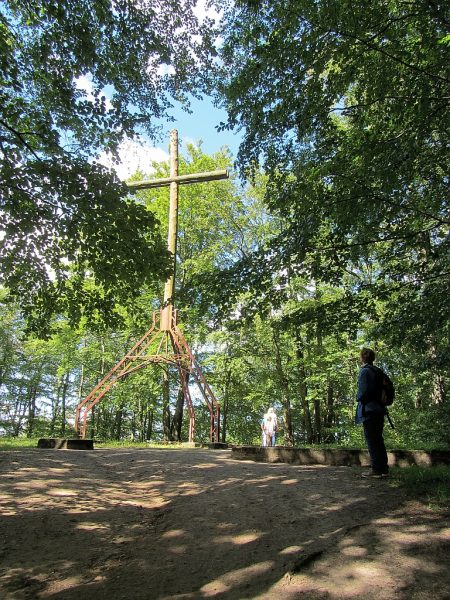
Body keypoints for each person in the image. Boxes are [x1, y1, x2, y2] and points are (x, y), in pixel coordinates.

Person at [355, 347, 389, 478]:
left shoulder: (364, 371)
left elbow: (363, 393)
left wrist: (357, 397)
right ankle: (383, 468)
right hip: (380, 409)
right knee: (378, 439)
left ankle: (376, 469)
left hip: (369, 410)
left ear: (362, 357)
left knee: (372, 440)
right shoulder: (378, 371)